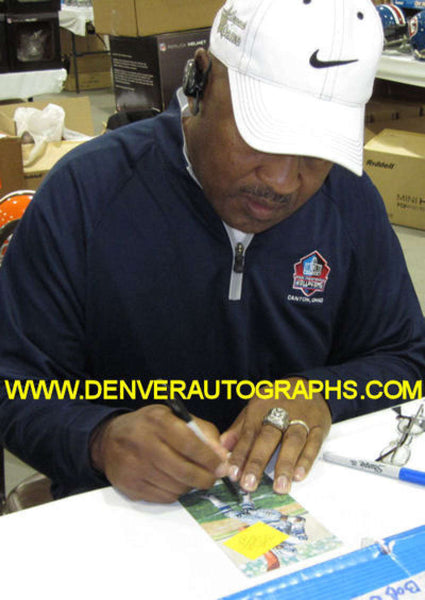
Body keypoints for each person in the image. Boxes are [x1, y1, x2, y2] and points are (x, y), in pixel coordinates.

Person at [0, 0, 425, 504]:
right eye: (260, 136)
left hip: (298, 504)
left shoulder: (349, 202)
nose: (283, 180)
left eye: (318, 152)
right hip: (126, 513)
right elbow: (15, 384)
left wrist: (324, 394)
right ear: (199, 80)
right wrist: (100, 437)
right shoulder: (86, 195)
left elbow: (405, 358)